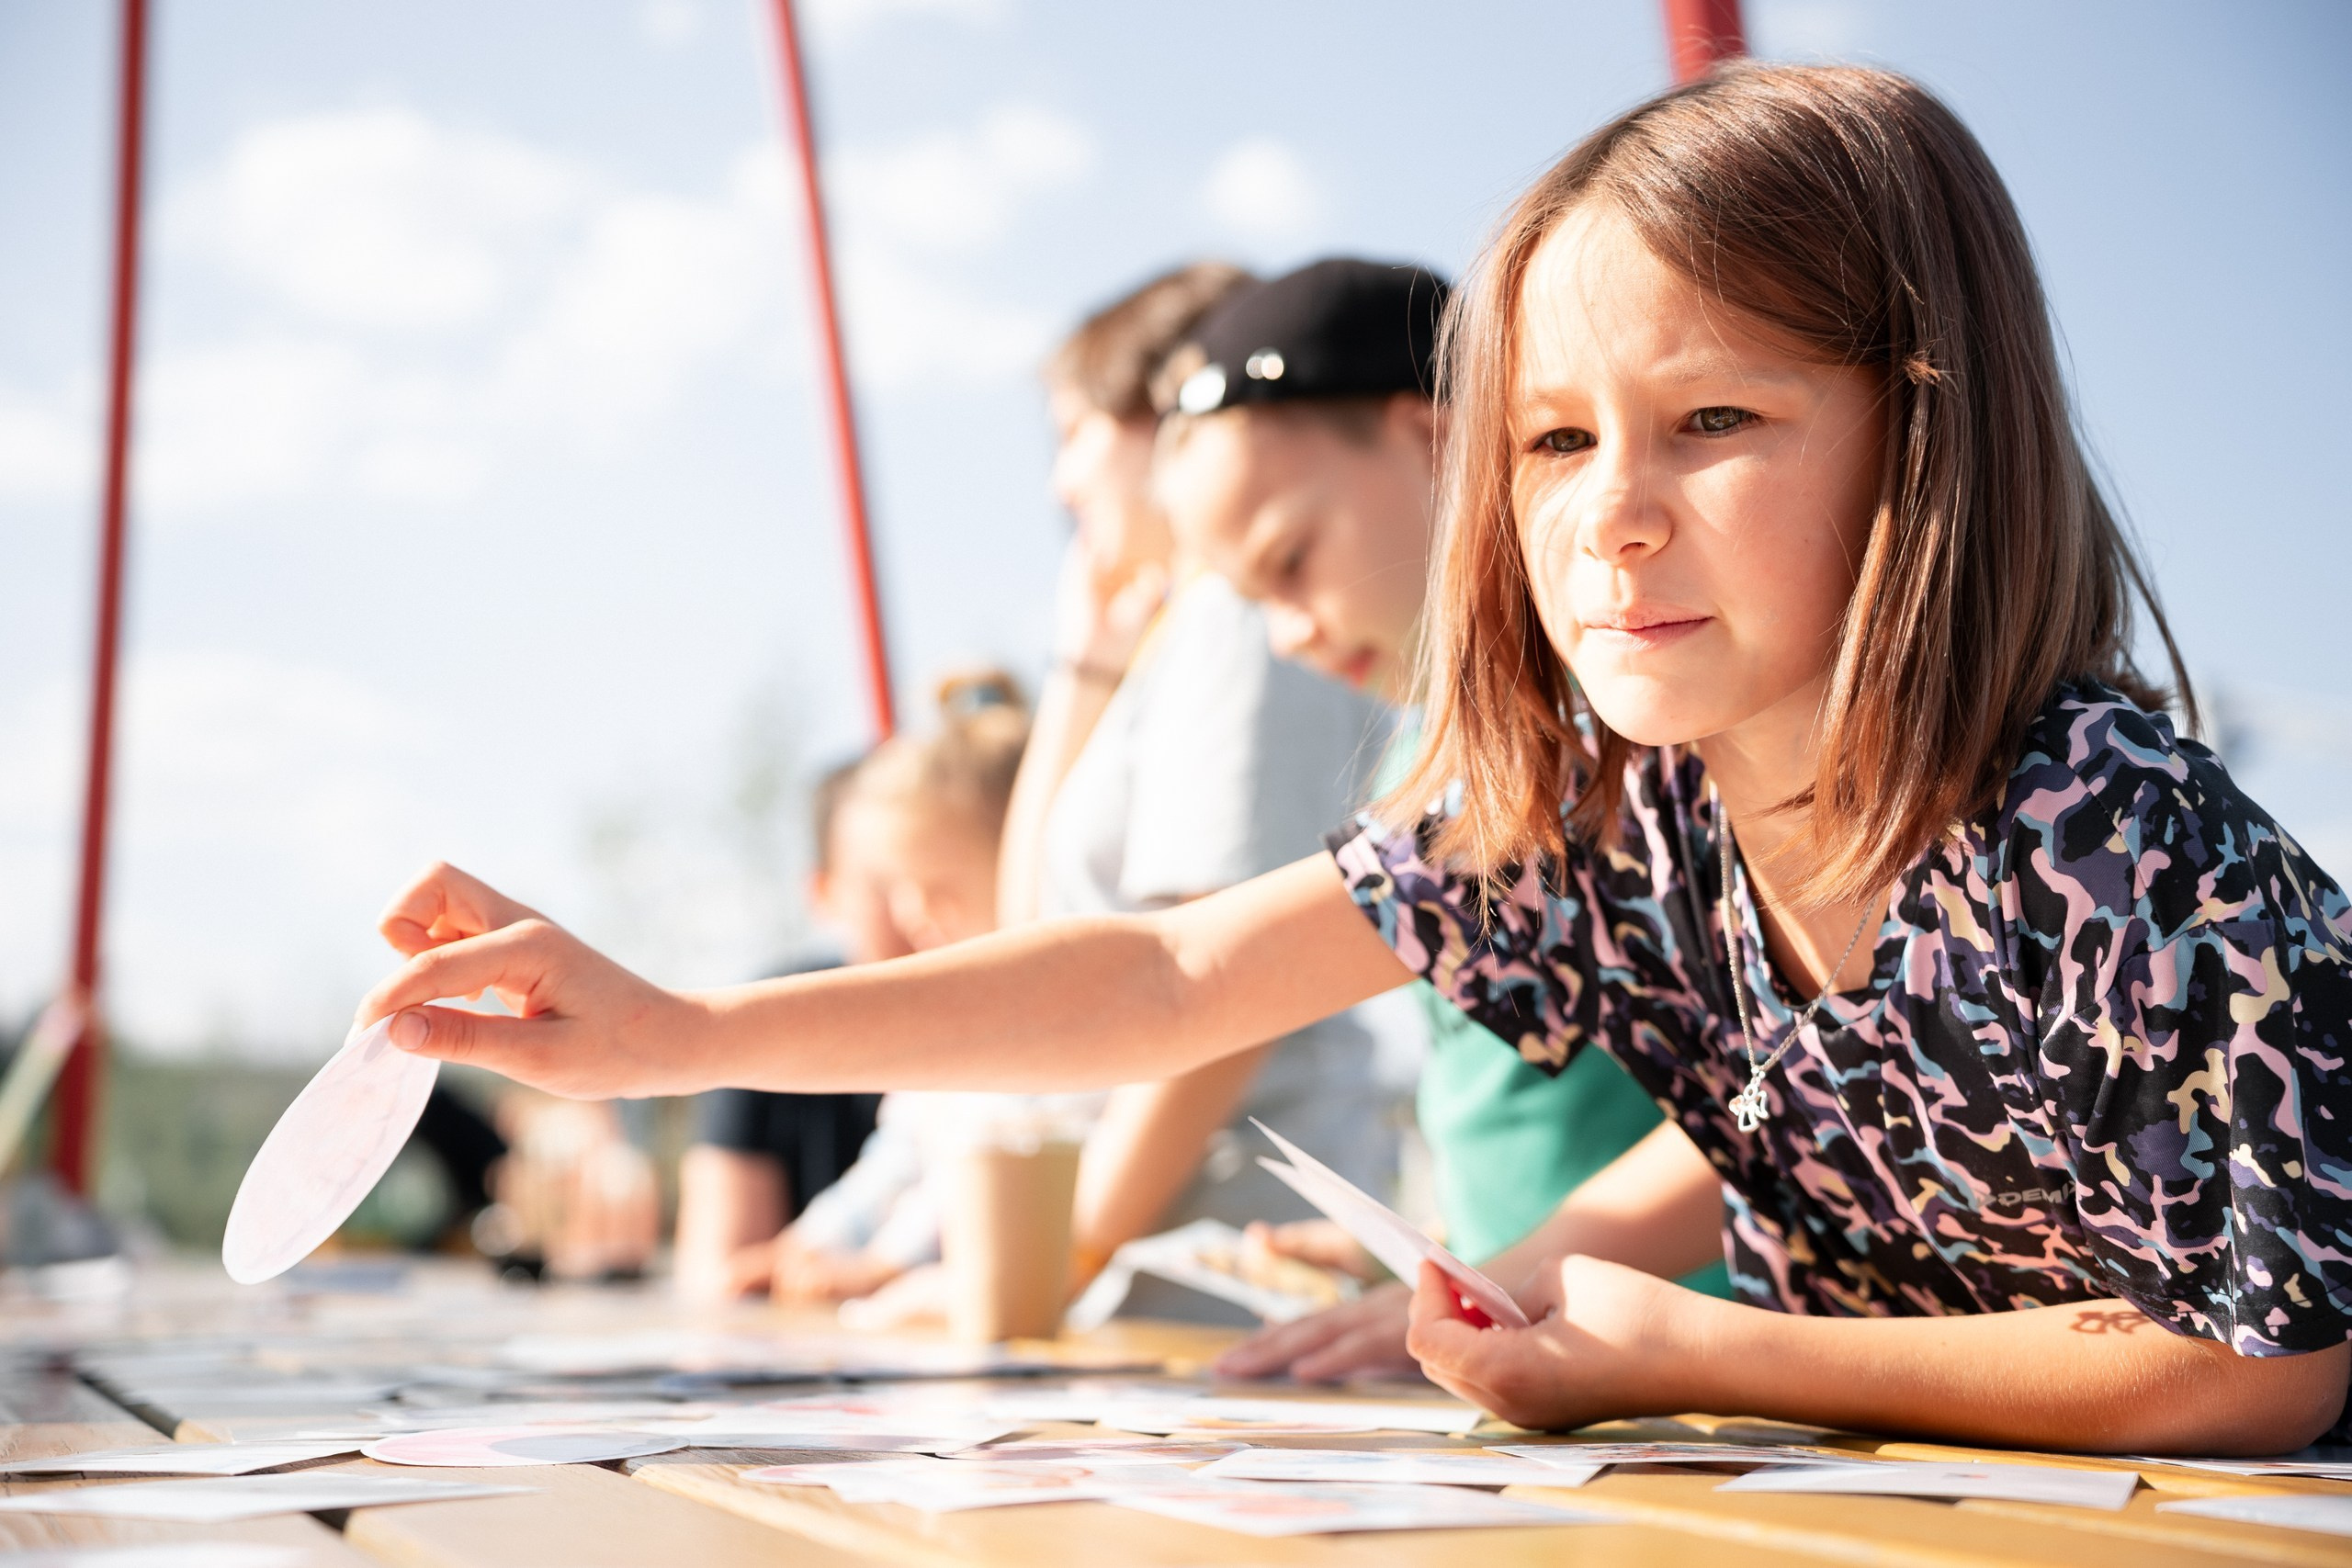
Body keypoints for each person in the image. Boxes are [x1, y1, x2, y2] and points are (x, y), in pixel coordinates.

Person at [360, 64, 2349, 1454]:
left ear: (1923, 432)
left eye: (1712, 419)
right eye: (1555, 442)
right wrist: (679, 1025)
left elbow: (2253, 1370)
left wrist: (1713, 1356)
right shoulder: (1607, 813)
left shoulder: (2105, 838)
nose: (1607, 517)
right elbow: (1170, 975)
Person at [1144, 256, 1731, 1380]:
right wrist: (1453, 1260)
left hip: (1713, 1367)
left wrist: (1513, 1275)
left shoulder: (1631, 708)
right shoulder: (1433, 754)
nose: (1289, 635)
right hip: (1552, 1356)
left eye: (1290, 562)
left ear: (1432, 442)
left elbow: (1811, 1098)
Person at [1001, 265, 1401, 1322]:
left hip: (1212, 1256)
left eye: (1075, 432)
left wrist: (1050, 1262)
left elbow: (1210, 999)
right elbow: (1025, 930)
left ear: (1159, 417)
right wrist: (1079, 671)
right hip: (1163, 1254)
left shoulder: (1243, 626)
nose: (1062, 481)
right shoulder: (1191, 635)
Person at [672, 759, 887, 1301]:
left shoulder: (1046, 1035)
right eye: (886, 883)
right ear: (823, 891)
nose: (918, 908)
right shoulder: (756, 1027)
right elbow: (720, 1280)